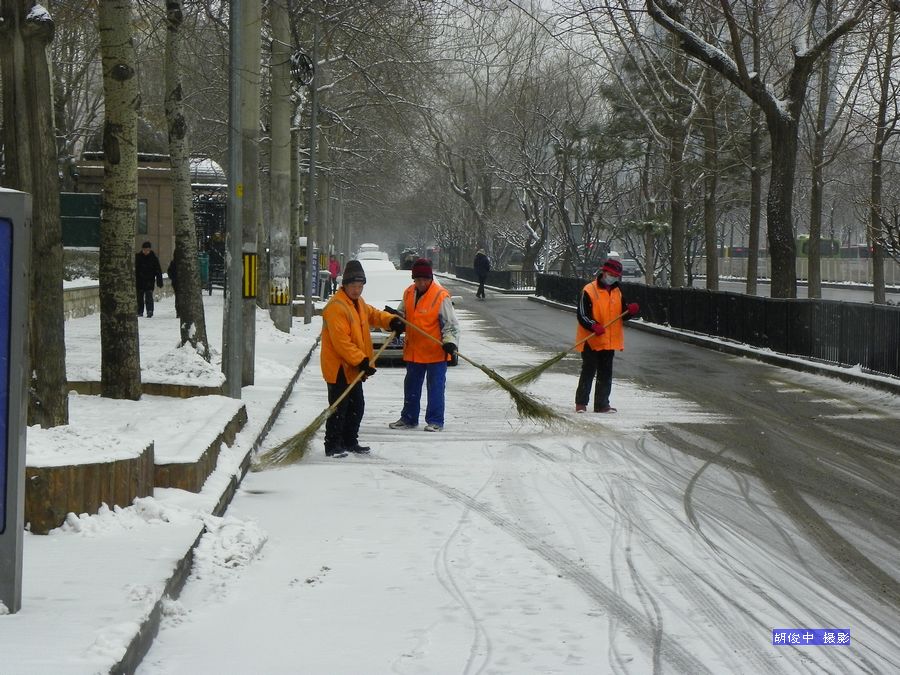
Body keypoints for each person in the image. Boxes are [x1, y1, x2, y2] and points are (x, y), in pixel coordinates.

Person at [320, 259, 405, 458]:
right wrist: (361, 360)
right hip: (339, 366)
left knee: (356, 406)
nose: (357, 290)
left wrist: (391, 321)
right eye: (354, 286)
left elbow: (373, 315)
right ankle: (333, 445)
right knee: (340, 407)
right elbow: (342, 342)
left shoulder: (357, 303)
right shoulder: (336, 307)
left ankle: (350, 441)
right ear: (345, 285)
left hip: (353, 366)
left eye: (360, 286)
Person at [387, 258, 460, 432]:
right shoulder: (409, 293)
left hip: (435, 351)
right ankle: (408, 418)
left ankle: (435, 421)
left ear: (430, 278)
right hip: (414, 350)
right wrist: (396, 320)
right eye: (417, 280)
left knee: (435, 387)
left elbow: (451, 324)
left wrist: (450, 342)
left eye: (424, 280)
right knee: (411, 387)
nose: (421, 283)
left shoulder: (441, 296)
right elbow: (403, 313)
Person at [574, 258, 639, 413]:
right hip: (591, 340)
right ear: (604, 272)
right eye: (611, 274)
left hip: (609, 341)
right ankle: (581, 403)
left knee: (605, 372)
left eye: (616, 275)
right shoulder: (589, 290)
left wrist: (630, 312)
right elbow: (582, 314)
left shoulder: (617, 292)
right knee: (589, 370)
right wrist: (593, 325)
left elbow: (621, 315)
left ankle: (602, 404)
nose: (613, 278)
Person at [135, 241, 163, 317]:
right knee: (139, 297)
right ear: (142, 249)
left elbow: (158, 270)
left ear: (150, 250)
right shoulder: (138, 257)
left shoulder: (153, 258)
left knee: (149, 296)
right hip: (139, 280)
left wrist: (159, 281)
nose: (146, 252)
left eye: (147, 250)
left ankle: (150, 311)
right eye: (144, 250)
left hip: (149, 280)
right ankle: (139, 311)